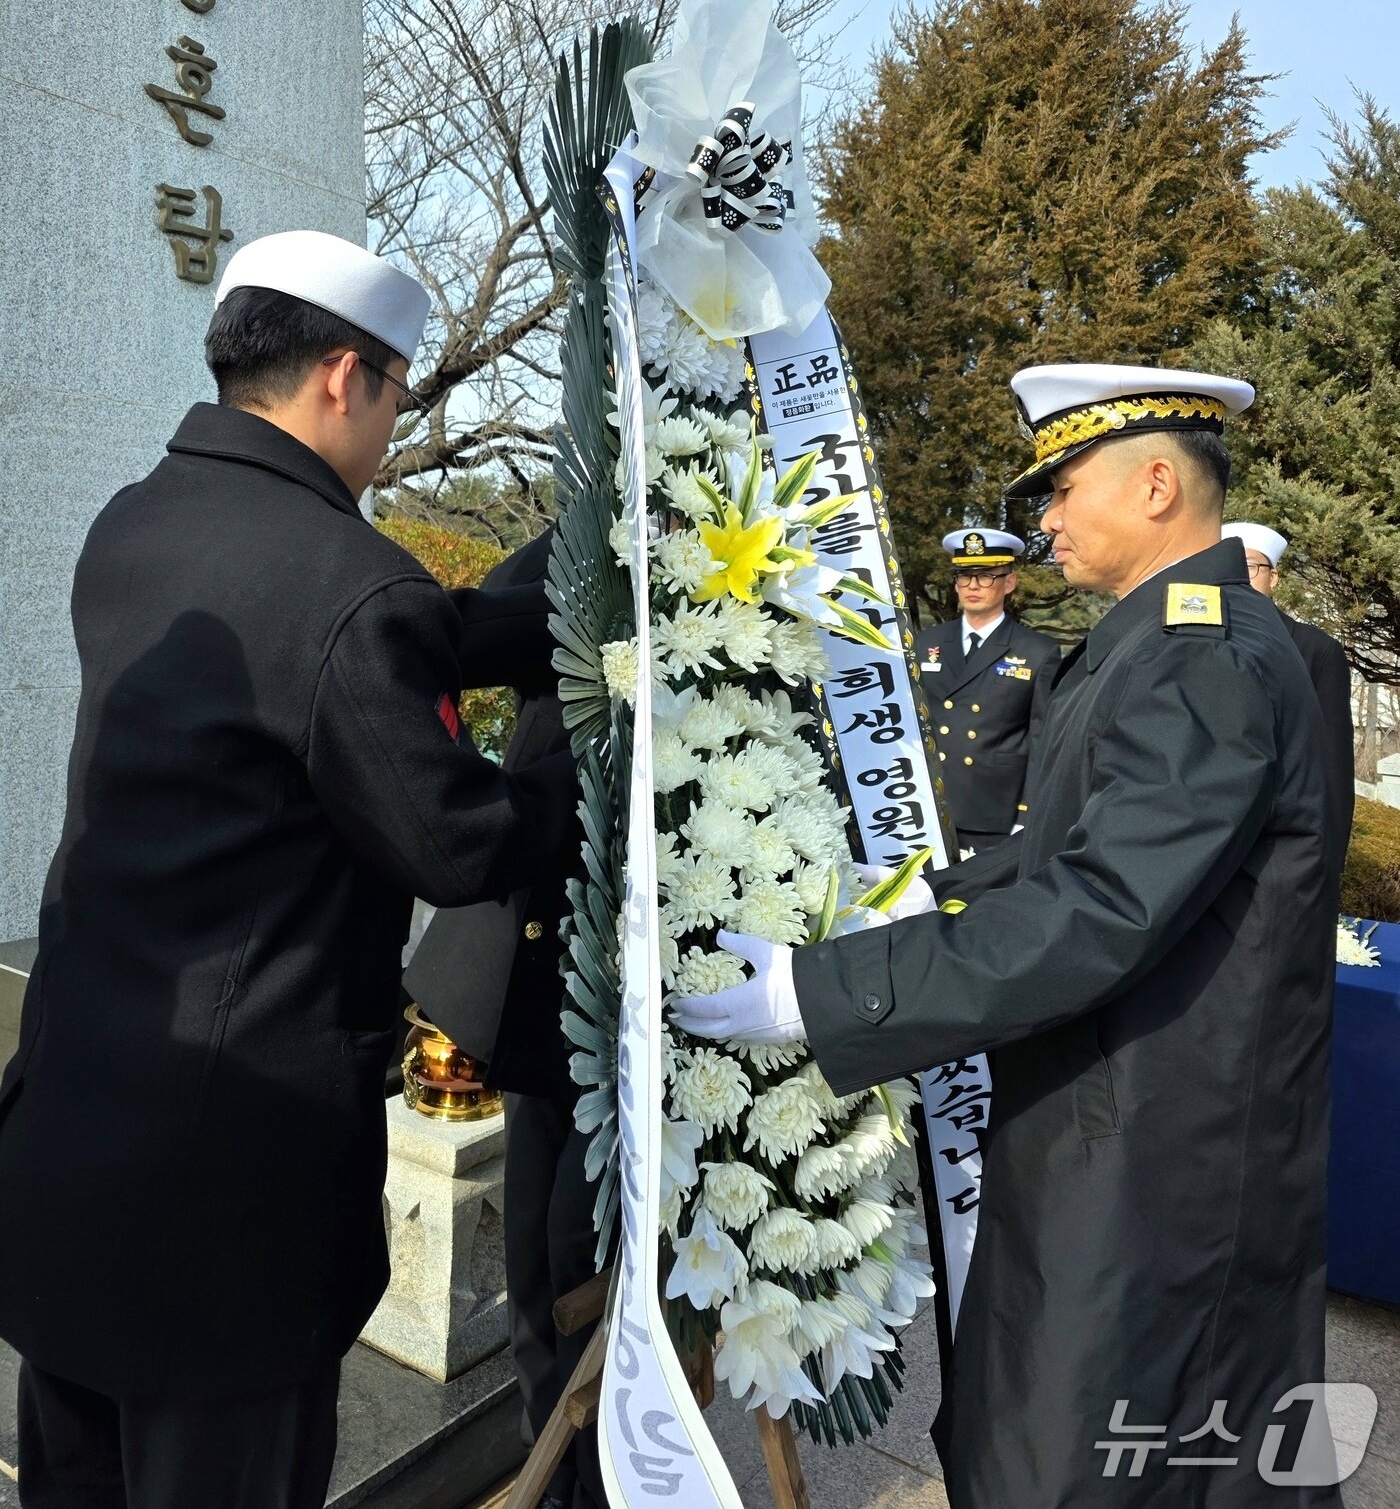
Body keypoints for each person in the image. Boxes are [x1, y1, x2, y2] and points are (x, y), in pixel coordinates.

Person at [676, 364, 1342, 1508]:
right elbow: (1069, 851)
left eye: (1059, 487)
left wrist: (822, 992)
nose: (1040, 522)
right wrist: (917, 895)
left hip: (1156, 1157)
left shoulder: (1202, 652)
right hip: (1122, 1119)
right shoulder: (1158, 638)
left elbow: (1100, 904)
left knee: (1096, 1459)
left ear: (1150, 484)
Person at [0, 230, 581, 1509]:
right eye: (396, 389)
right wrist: (576, 761)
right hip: (224, 1209)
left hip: (73, 1148)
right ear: (340, 374)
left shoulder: (140, 521)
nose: (390, 423)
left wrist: (543, 591)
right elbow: (456, 836)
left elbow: (333, 654)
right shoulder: (341, 579)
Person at [404, 529, 602, 1509]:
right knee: (537, 1267)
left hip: (677, 995)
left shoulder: (756, 560)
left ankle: (602, 1478)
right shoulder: (577, 547)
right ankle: (556, 1478)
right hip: (546, 971)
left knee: (597, 1268)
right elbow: (465, 636)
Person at [916, 527, 1060, 853]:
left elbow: (1042, 739)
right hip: (929, 805)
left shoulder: (1037, 651)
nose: (973, 587)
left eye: (986, 577)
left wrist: (1029, 812)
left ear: (1009, 582)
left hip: (994, 813)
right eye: (964, 577)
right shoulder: (928, 643)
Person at [1223, 520, 1355, 859]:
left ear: (1274, 578)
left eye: (1251, 567)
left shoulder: (1316, 651)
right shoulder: (1194, 643)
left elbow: (1334, 765)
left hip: (1281, 848)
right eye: (1229, 567)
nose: (1239, 577)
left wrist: (1330, 857)